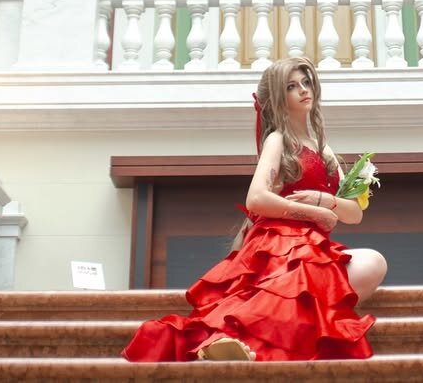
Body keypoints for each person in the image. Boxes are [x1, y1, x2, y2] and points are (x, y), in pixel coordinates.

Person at [122, 57, 387, 363]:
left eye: (306, 82)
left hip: (315, 248)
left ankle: (250, 343)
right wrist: (313, 213)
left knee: (372, 263)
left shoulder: (323, 148)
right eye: (292, 86)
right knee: (294, 286)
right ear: (278, 98)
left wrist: (323, 200)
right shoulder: (278, 140)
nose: (304, 90)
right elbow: (256, 199)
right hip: (280, 241)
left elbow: (353, 214)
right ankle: (226, 342)